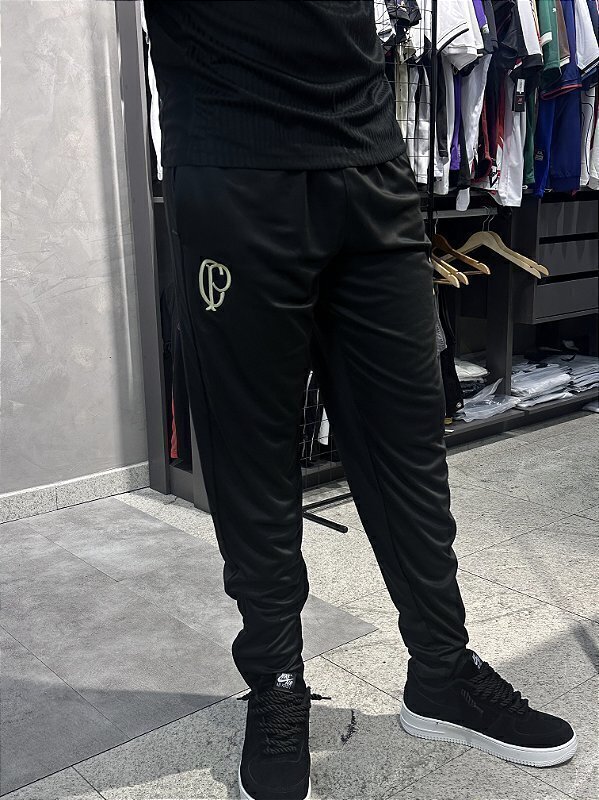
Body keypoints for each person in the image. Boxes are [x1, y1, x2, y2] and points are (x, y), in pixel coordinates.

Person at [143, 3, 576, 799]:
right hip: (235, 166)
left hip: (371, 162)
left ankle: (440, 673)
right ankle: (276, 681)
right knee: (254, 460)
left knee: (409, 449)